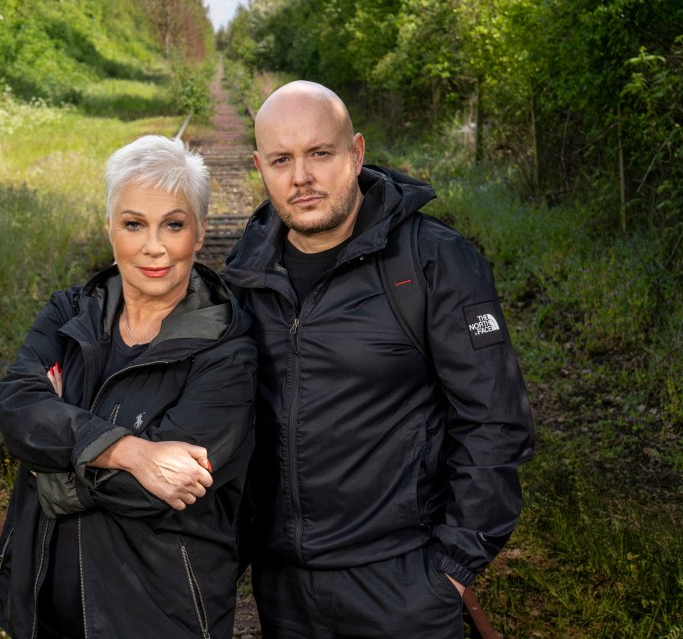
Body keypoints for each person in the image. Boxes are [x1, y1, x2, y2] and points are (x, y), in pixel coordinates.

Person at [222, 80, 535, 638]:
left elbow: (496, 422)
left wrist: (451, 569)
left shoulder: (434, 261)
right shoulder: (247, 270)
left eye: (319, 153)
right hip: (284, 590)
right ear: (260, 166)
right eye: (281, 159)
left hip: (401, 588)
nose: (302, 177)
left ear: (357, 152)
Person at [0, 135, 257, 639]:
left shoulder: (228, 349)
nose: (153, 246)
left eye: (173, 224)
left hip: (158, 616)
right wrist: (131, 452)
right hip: (41, 606)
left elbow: (163, 492)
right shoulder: (69, 313)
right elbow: (18, 407)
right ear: (110, 229)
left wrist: (52, 463)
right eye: (134, 224)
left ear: (198, 234)